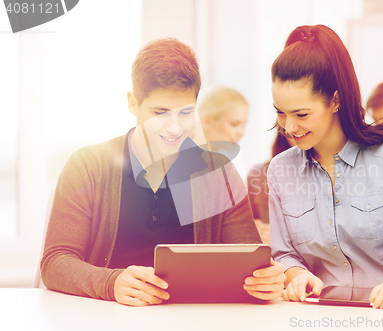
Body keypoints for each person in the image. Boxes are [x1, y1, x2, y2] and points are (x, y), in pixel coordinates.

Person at [41, 38, 285, 307]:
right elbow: (55, 263)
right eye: (160, 112)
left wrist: (265, 280)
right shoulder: (87, 166)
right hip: (107, 318)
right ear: (133, 103)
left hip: (195, 320)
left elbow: (248, 264)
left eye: (185, 113)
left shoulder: (220, 174)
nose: (174, 128)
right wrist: (111, 283)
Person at [268, 25, 383, 309]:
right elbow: (285, 254)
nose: (289, 127)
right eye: (280, 113)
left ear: (335, 100)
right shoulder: (280, 170)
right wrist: (297, 276)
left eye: (301, 114)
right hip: (316, 316)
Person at [247, 129, 294, 244]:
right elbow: (249, 224)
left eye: (302, 115)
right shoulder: (258, 175)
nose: (292, 127)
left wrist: (280, 240)